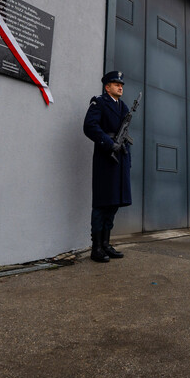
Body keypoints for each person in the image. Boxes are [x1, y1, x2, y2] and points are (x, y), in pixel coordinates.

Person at [83, 70, 134, 262]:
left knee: (113, 204)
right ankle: (96, 248)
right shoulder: (99, 102)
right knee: (102, 204)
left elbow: (125, 134)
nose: (120, 87)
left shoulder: (124, 107)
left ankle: (106, 244)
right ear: (107, 87)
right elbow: (89, 126)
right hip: (106, 158)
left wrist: (128, 160)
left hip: (120, 159)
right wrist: (108, 143)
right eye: (116, 84)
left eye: (121, 85)